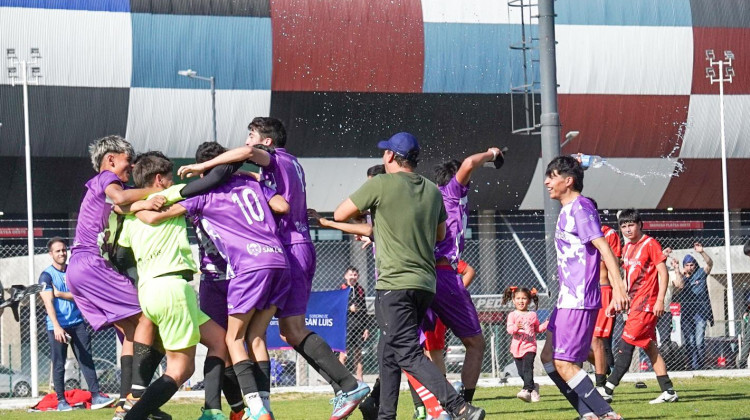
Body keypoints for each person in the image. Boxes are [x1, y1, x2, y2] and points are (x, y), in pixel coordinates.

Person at [178, 117, 369, 420]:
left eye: (251, 136)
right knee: (273, 332)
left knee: (282, 331)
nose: (246, 142)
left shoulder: (273, 157)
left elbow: (246, 159)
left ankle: (348, 385)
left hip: (288, 249)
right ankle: (344, 393)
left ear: (266, 142)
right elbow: (279, 198)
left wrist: (204, 168)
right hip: (293, 248)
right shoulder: (290, 163)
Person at [333, 132, 484, 420]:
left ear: (390, 156)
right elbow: (440, 234)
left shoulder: (380, 183)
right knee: (388, 350)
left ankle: (459, 406)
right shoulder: (430, 189)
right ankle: (384, 413)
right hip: (425, 284)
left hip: (394, 283)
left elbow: (342, 214)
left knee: (407, 352)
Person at [138, 151, 291, 420]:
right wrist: (251, 176)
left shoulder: (202, 196)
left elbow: (156, 215)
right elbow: (282, 206)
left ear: (202, 172)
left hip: (230, 274)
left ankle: (231, 409)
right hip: (262, 264)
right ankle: (244, 409)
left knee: (227, 343)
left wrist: (135, 206)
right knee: (246, 340)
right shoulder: (250, 185)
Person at [116, 152, 230, 420]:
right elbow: (214, 179)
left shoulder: (131, 217)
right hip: (172, 287)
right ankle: (133, 416)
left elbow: (121, 257)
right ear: (160, 179)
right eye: (168, 176)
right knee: (181, 369)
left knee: (218, 341)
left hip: (149, 291)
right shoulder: (172, 194)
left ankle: (212, 410)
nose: (171, 181)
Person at [65, 135, 168, 420]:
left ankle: (134, 404)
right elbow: (123, 198)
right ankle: (134, 402)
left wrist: (144, 202)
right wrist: (152, 190)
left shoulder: (106, 191)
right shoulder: (107, 180)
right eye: (127, 160)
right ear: (110, 159)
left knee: (135, 333)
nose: (131, 165)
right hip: (91, 264)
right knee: (150, 318)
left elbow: (124, 206)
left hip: (78, 270)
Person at [540, 156, 627, 420]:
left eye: (552, 176)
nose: (546, 182)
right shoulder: (568, 209)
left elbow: (604, 247)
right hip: (566, 299)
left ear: (568, 181)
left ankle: (607, 414)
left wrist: (619, 287)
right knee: (548, 358)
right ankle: (588, 415)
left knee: (565, 364)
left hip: (577, 300)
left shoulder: (581, 206)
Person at [428, 149, 502, 405]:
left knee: (417, 349)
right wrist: (493, 153)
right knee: (475, 344)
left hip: (423, 275)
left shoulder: (431, 197)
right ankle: (462, 405)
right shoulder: (451, 192)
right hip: (443, 275)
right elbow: (470, 162)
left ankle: (434, 406)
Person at [601, 209, 678, 404]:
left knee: (626, 345)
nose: (627, 229)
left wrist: (660, 299)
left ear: (640, 224)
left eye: (631, 225)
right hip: (633, 305)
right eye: (624, 226)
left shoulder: (650, 244)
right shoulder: (627, 249)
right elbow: (627, 280)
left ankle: (607, 390)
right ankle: (668, 391)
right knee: (650, 347)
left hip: (646, 306)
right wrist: (615, 301)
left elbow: (663, 273)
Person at [39, 237, 116, 411]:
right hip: (57, 326)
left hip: (78, 323)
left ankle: (96, 396)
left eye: (64, 250)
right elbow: (48, 302)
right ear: (51, 254)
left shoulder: (73, 271)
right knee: (59, 364)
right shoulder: (46, 276)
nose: (62, 253)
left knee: (86, 359)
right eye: (57, 251)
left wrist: (60, 294)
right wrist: (57, 327)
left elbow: (82, 294)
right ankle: (61, 401)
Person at [588, 198, 622, 389]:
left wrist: (617, 292)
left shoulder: (608, 234)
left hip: (602, 290)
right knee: (578, 341)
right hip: (582, 293)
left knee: (596, 338)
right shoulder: (574, 232)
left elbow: (612, 264)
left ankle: (600, 384)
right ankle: (604, 369)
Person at [672, 242, 714, 370]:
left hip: (700, 312)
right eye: (687, 265)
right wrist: (678, 269)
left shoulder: (700, 273)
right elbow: (679, 286)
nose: (690, 267)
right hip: (687, 313)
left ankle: (699, 366)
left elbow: (710, 264)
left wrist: (701, 252)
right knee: (689, 341)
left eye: (692, 265)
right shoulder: (681, 277)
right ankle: (690, 365)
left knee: (699, 341)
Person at [503, 286, 547, 403]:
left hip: (530, 347)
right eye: (518, 298)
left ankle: (526, 390)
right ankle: (533, 387)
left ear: (529, 300)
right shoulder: (512, 315)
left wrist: (547, 324)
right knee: (521, 372)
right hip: (516, 348)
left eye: (524, 298)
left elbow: (537, 328)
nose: (521, 301)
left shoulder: (532, 315)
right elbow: (509, 329)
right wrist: (516, 327)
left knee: (528, 368)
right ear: (513, 300)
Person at [339, 266, 369, 382]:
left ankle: (360, 379)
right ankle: (341, 379)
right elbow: (337, 308)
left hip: (358, 326)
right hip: (346, 326)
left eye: (355, 275)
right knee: (343, 354)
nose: (353, 277)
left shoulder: (361, 290)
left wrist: (366, 328)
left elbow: (364, 309)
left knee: (358, 354)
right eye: (350, 274)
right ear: (346, 276)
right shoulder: (341, 289)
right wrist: (348, 308)